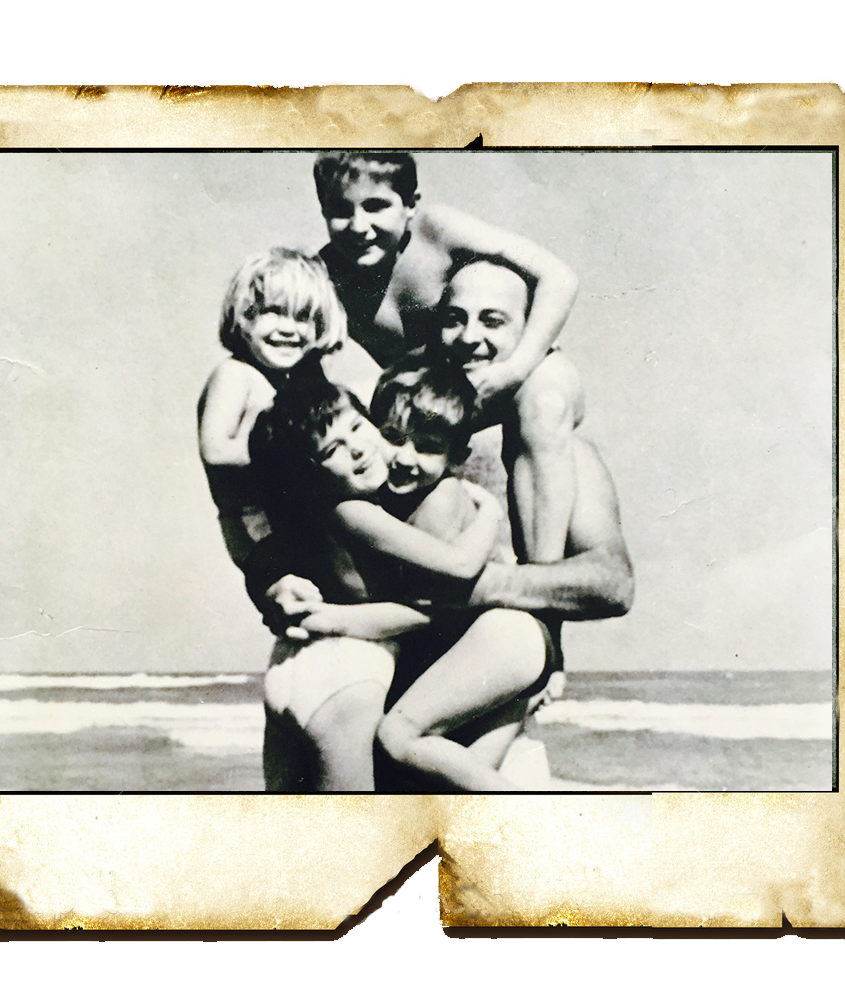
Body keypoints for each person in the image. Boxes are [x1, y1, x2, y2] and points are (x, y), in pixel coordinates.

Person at [262, 357, 559, 791]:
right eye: (393, 437)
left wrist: (338, 619)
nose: (401, 456)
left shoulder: (411, 504)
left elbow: (448, 592)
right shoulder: (373, 504)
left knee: (398, 739)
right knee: (453, 799)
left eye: (357, 429)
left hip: (502, 641)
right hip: (511, 645)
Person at [314, 152, 584, 563]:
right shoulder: (324, 276)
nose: (358, 226)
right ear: (322, 210)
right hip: (434, 399)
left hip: (504, 375)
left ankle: (542, 572)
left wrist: (514, 370)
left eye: (375, 206)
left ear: (410, 205)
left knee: (545, 398)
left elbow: (560, 277)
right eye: (340, 209)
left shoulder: (435, 230)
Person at [197, 248, 390, 791]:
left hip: (279, 534)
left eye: (304, 317)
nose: (289, 329)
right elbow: (216, 449)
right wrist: (293, 455)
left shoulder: (293, 382)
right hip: (253, 531)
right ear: (242, 317)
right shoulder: (236, 375)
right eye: (272, 313)